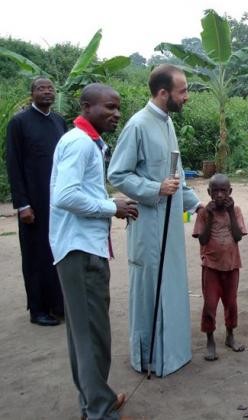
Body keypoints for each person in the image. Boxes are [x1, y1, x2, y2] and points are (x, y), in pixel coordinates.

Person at [49, 83, 138, 419]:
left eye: (118, 108)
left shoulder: (85, 141)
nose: (116, 114)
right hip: (80, 251)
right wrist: (111, 207)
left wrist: (109, 203)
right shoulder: (80, 144)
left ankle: (93, 402)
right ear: (86, 107)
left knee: (84, 335)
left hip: (80, 248)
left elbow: (77, 192)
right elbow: (65, 196)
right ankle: (100, 409)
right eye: (109, 107)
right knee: (92, 337)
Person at [107, 64, 201, 377]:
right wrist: (154, 188)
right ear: (163, 93)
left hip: (170, 225)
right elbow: (117, 174)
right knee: (149, 290)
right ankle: (148, 358)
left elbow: (177, 177)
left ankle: (172, 354)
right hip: (148, 226)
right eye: (182, 91)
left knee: (171, 286)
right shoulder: (138, 125)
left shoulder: (168, 123)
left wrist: (198, 206)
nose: (187, 97)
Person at [6, 78, 67, 326]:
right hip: (33, 202)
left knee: (56, 252)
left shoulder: (59, 121)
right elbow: (13, 164)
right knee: (35, 255)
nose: (47, 92)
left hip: (57, 201)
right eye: (41, 89)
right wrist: (22, 204)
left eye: (50, 88)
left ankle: (57, 304)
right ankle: (38, 309)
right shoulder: (19, 123)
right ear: (31, 94)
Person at [192, 174, 247, 361]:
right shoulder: (203, 213)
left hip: (232, 265)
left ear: (230, 192)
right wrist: (208, 217)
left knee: (231, 304)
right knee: (210, 305)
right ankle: (210, 340)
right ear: (209, 192)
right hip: (211, 267)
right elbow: (203, 240)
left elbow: (238, 237)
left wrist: (230, 213)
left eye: (223, 191)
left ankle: (230, 336)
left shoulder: (236, 211)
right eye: (215, 191)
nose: (220, 195)